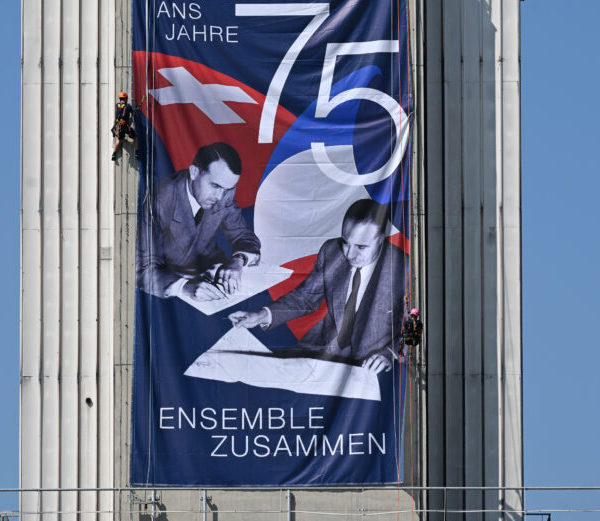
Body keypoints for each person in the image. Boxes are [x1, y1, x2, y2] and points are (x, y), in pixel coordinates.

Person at [229, 199, 404, 373]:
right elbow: (305, 298)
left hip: (369, 365)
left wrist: (390, 354)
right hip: (318, 350)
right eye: (345, 242)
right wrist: (260, 315)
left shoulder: (405, 270)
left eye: (360, 247)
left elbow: (417, 328)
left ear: (381, 238)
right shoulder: (331, 251)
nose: (349, 254)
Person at [137, 142, 261, 301]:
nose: (219, 197)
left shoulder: (224, 192)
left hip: (212, 272)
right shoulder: (161, 199)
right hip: (171, 288)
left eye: (227, 189)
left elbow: (244, 236)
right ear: (194, 172)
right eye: (215, 185)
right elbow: (140, 267)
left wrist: (238, 261)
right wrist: (184, 287)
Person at [111, 91, 137, 161]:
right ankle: (137, 153)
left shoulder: (116, 105)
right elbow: (134, 114)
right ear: (125, 99)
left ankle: (114, 154)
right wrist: (134, 111)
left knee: (120, 140)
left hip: (117, 126)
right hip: (125, 126)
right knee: (135, 137)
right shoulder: (128, 106)